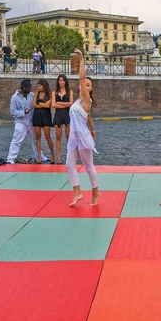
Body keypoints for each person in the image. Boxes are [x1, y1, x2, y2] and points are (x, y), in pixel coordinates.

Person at [66, 48, 99, 207]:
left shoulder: (86, 99)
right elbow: (88, 117)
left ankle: (95, 191)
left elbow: (81, 77)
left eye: (88, 85)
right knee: (69, 165)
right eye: (84, 84)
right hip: (74, 137)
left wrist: (82, 59)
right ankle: (77, 192)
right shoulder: (78, 102)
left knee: (88, 167)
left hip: (82, 138)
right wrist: (92, 129)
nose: (84, 85)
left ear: (90, 89)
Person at [6, 79, 47, 164]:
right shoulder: (14, 97)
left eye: (30, 88)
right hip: (21, 122)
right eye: (28, 88)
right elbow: (13, 111)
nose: (30, 89)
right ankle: (10, 159)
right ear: (23, 87)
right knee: (17, 140)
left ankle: (40, 156)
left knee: (36, 140)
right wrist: (23, 112)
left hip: (32, 121)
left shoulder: (31, 95)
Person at [32, 79, 55, 164]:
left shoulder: (49, 94)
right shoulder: (36, 94)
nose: (38, 87)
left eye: (39, 86)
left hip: (46, 116)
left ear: (44, 86)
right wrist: (42, 104)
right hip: (37, 115)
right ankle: (39, 157)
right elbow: (33, 104)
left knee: (47, 136)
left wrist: (39, 103)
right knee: (38, 137)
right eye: (37, 86)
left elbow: (48, 105)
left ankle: (52, 155)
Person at [52, 74, 73, 164]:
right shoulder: (54, 92)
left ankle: (70, 156)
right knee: (58, 136)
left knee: (69, 136)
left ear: (66, 82)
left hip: (67, 115)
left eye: (63, 80)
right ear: (58, 81)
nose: (61, 82)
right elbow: (53, 105)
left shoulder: (70, 92)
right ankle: (59, 157)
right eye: (60, 80)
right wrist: (65, 104)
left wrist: (60, 103)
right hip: (58, 115)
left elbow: (71, 103)